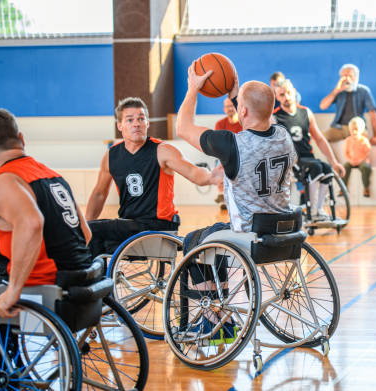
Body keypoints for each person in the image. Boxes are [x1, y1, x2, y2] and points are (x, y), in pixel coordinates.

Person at [175, 64, 298, 342]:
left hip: (248, 235)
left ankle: (214, 320)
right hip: (282, 232)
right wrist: (237, 92)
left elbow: (182, 127)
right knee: (213, 235)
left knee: (194, 241)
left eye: (239, 105)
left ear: (241, 111)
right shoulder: (284, 136)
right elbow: (258, 110)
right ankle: (221, 316)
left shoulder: (231, 144)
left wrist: (194, 88)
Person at [85, 97, 221, 257]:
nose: (136, 123)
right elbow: (99, 194)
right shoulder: (111, 156)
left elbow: (194, 173)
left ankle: (92, 279)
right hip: (129, 226)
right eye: (130, 120)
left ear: (147, 123)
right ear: (119, 126)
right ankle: (99, 279)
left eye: (141, 119)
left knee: (96, 231)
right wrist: (86, 225)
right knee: (89, 232)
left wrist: (212, 177)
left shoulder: (162, 150)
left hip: (158, 225)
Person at [0, 108, 92, 318]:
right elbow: (86, 234)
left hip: (43, 287)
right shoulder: (51, 175)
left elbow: (32, 223)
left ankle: (5, 350)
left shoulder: (2, 183)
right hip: (83, 282)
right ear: (21, 139)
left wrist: (13, 291)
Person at [273, 79, 345, 220]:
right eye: (281, 95)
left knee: (326, 168)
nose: (286, 97)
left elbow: (319, 139)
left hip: (308, 157)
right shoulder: (275, 117)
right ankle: (312, 211)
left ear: (294, 92)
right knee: (315, 168)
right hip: (292, 161)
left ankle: (319, 209)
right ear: (277, 97)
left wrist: (334, 161)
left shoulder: (306, 113)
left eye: (288, 93)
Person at [319, 64, 376, 147]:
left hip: (358, 128)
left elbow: (373, 115)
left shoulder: (364, 91)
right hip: (339, 128)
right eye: (344, 76)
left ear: (356, 77)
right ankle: (333, 160)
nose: (347, 79)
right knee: (320, 138)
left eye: (349, 75)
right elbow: (322, 106)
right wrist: (336, 90)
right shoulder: (338, 91)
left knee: (361, 143)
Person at [213, 98, 243, 210]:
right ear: (224, 109)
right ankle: (223, 195)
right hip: (225, 157)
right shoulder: (220, 124)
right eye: (227, 107)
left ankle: (227, 196)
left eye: (231, 106)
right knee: (219, 163)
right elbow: (218, 146)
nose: (230, 109)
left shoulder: (243, 123)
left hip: (241, 157)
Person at [343, 116, 372, 197]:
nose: (354, 132)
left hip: (362, 161)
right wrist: (350, 160)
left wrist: (360, 160)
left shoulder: (364, 140)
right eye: (352, 129)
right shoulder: (348, 140)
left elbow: (367, 153)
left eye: (356, 129)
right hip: (351, 161)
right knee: (344, 167)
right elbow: (346, 153)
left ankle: (366, 187)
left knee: (366, 168)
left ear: (361, 130)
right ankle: (343, 187)